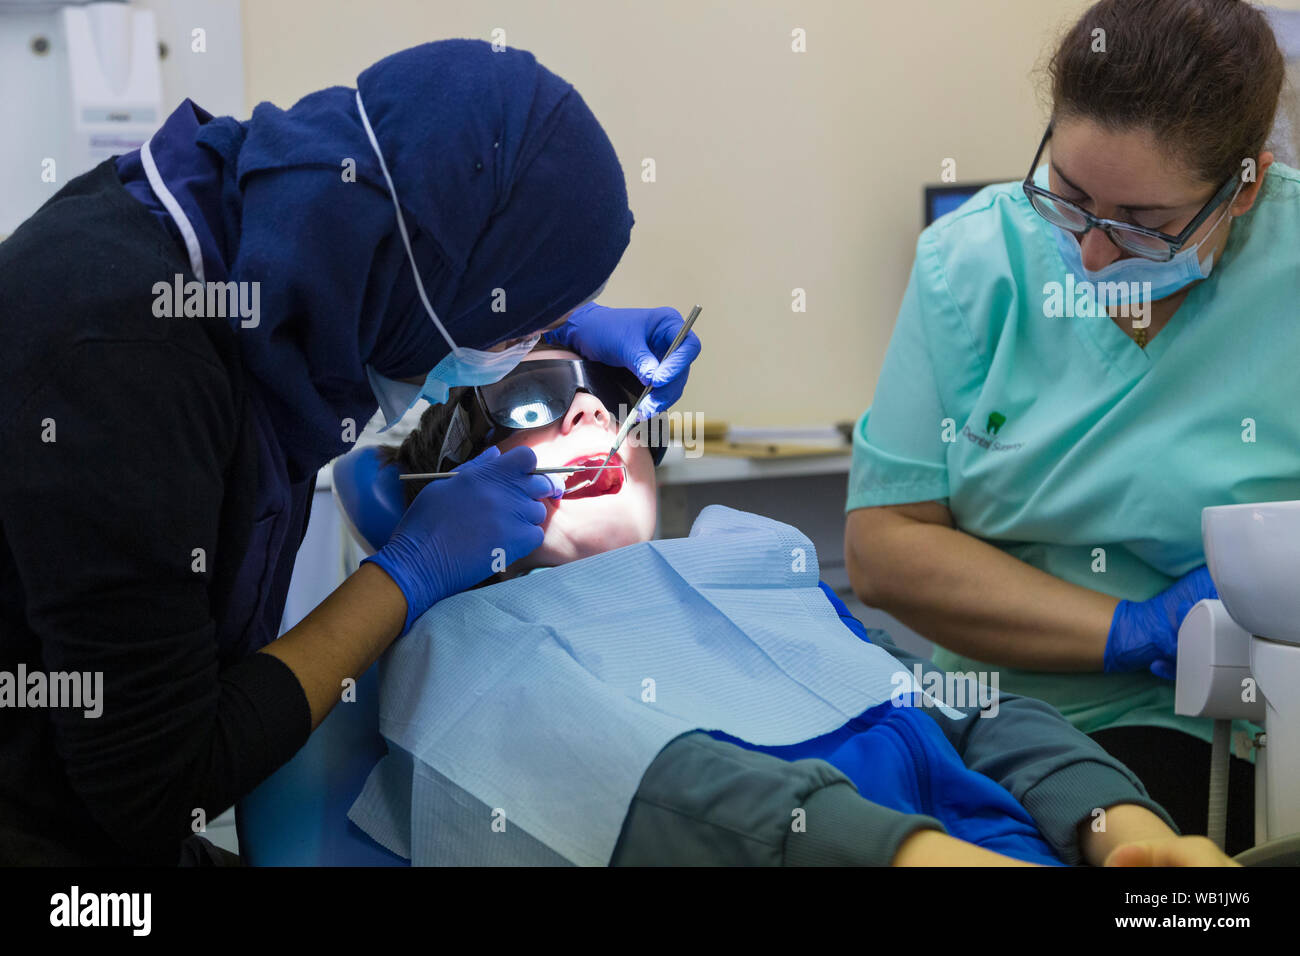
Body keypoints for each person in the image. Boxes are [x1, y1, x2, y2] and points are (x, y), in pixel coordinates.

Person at [0, 39, 698, 865]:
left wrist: (556, 326)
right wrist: (407, 575)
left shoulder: (279, 224)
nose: (589, 403)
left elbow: (400, 280)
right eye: (517, 335)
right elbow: (158, 787)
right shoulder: (122, 358)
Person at [354, 346, 1235, 867]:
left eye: (610, 394)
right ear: (457, 474)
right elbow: (698, 806)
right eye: (532, 396)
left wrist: (1129, 835)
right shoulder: (469, 645)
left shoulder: (743, 570)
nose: (590, 404)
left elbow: (970, 717)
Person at [843, 0, 1298, 856]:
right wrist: (1132, 630)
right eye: (1071, 195)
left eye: (1143, 224)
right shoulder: (972, 264)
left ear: (1242, 190)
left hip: (1244, 725)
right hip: (1004, 723)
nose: (1091, 253)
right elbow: (883, 547)